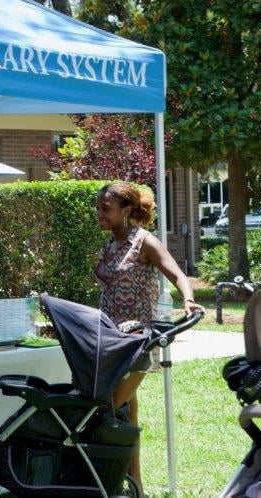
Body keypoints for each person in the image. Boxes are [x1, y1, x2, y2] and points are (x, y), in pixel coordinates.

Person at [93, 181, 204, 496]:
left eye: (106, 208)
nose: (99, 213)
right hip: (109, 338)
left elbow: (177, 273)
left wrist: (188, 299)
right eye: (98, 207)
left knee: (112, 409)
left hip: (138, 341)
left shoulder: (145, 242)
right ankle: (135, 485)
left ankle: (112, 479)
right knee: (128, 410)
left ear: (126, 211)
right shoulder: (109, 245)